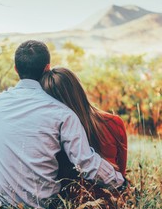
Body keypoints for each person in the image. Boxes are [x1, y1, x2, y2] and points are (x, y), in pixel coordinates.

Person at [0, 40, 124, 209]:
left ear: (16, 69)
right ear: (47, 68)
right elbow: (85, 163)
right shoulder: (62, 113)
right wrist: (119, 183)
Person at [40, 67, 128, 197]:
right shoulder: (114, 123)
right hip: (113, 205)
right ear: (78, 91)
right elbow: (121, 171)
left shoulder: (51, 133)